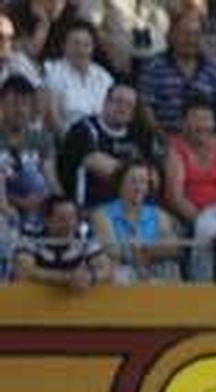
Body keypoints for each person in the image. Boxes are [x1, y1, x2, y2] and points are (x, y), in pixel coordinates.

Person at [55, 77, 160, 208]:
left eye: (129, 105)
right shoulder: (84, 129)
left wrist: (138, 177)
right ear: (105, 102)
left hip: (132, 209)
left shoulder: (139, 135)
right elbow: (100, 166)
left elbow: (155, 179)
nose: (122, 108)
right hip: (92, 208)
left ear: (133, 113)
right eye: (118, 101)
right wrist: (141, 177)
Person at [136, 7, 216, 134]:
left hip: (206, 144)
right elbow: (145, 108)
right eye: (184, 33)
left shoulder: (213, 69)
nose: (190, 40)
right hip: (166, 141)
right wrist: (161, 136)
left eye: (196, 34)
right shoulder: (153, 67)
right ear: (171, 35)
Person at [90, 158, 181, 283]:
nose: (138, 187)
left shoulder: (159, 214)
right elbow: (113, 252)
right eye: (133, 181)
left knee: (171, 270)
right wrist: (147, 251)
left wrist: (144, 250)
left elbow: (172, 246)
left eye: (143, 182)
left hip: (152, 272)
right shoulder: (101, 214)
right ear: (120, 183)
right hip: (119, 273)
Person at [161, 92, 216, 230]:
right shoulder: (175, 148)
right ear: (184, 123)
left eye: (206, 118)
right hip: (188, 219)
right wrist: (204, 222)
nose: (202, 124)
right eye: (195, 118)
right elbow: (174, 197)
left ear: (214, 122)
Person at [12, 192, 110, 289]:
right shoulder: (30, 235)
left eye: (72, 218)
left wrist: (90, 277)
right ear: (47, 220)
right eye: (62, 219)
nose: (69, 224)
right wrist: (66, 278)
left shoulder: (84, 234)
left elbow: (106, 269)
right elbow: (24, 270)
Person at [1, 73, 58, 236]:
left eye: (25, 104)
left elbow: (50, 177)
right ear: (2, 105)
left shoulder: (42, 138)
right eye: (14, 104)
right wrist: (20, 202)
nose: (20, 110)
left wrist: (55, 201)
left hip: (39, 203)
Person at [40, 17, 109, 133]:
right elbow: (52, 119)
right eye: (75, 43)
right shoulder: (53, 71)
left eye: (86, 45)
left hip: (100, 139)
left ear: (93, 48)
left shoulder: (103, 76)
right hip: (67, 139)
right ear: (64, 46)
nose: (81, 50)